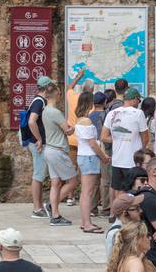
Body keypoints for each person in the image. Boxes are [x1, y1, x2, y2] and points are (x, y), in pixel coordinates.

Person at [101, 88, 148, 195]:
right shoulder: (138, 113)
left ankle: (118, 211)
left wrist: (119, 138)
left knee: (119, 191)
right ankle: (130, 212)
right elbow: (145, 138)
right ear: (134, 99)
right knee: (135, 190)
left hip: (117, 159)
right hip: (133, 160)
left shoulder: (111, 113)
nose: (138, 103)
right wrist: (141, 150)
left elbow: (104, 137)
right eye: (138, 100)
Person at [75, 91, 110, 234]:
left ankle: (85, 222)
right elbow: (93, 144)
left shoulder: (79, 119)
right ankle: (87, 223)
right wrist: (104, 157)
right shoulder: (87, 121)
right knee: (88, 192)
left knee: (85, 192)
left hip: (82, 156)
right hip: (90, 157)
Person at [42, 86, 77, 226]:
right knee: (73, 181)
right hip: (58, 151)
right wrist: (74, 127)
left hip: (49, 149)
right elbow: (68, 131)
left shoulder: (45, 111)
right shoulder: (56, 112)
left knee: (55, 183)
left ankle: (54, 214)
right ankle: (52, 207)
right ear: (56, 94)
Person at [27, 76, 56, 218]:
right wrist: (39, 139)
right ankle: (37, 209)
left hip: (38, 142)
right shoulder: (39, 102)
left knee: (39, 175)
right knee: (38, 176)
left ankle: (38, 207)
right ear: (47, 87)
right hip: (37, 143)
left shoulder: (40, 101)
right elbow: (32, 121)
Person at [66, 71, 94, 205]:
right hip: (85, 142)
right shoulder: (92, 105)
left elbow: (69, 88)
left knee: (72, 168)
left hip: (72, 138)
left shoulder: (73, 97)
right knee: (86, 170)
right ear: (92, 91)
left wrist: (77, 77)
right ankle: (85, 194)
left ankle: (70, 197)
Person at [105, 192, 145, 258]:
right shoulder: (115, 233)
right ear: (124, 213)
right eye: (136, 208)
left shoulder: (133, 227)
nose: (141, 210)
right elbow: (112, 262)